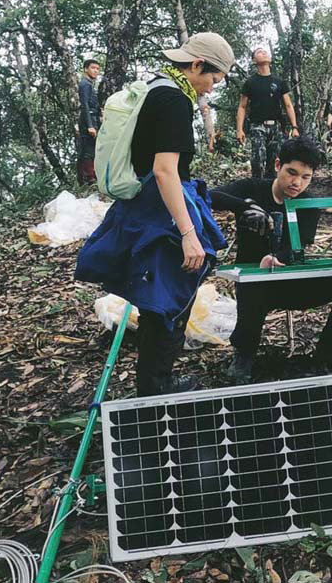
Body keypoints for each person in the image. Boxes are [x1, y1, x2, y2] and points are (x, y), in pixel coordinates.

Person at [75, 32, 235, 396]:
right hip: (161, 210)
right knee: (171, 298)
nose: (212, 87)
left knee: (157, 298)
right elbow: (165, 171)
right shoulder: (175, 100)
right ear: (197, 65)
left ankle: (154, 383)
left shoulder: (155, 88)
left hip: (144, 205)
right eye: (213, 78)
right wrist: (188, 233)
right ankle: (157, 387)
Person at [210, 137, 332, 385]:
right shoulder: (252, 188)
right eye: (292, 173)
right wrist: (244, 206)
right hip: (255, 283)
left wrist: (277, 257)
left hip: (293, 281)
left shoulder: (309, 204)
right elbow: (209, 196)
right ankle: (244, 355)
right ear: (277, 165)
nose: (297, 183)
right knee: (252, 288)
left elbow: (299, 245)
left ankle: (331, 348)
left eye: (306, 177)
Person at [236, 48, 299, 178]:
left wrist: (294, 127)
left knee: (275, 162)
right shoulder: (250, 83)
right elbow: (242, 106)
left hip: (276, 126)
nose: (264, 53)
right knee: (257, 161)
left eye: (265, 51)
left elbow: (288, 105)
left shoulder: (279, 82)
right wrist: (239, 130)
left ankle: (271, 188)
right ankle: (256, 186)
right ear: (254, 61)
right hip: (257, 125)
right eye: (259, 52)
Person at [77, 58, 101, 185]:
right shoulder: (85, 84)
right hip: (88, 120)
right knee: (88, 150)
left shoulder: (90, 84)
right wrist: (90, 125)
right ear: (86, 69)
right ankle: (89, 178)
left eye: (97, 69)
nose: (95, 71)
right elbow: (85, 105)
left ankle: (90, 177)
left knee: (92, 148)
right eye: (93, 68)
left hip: (93, 118)